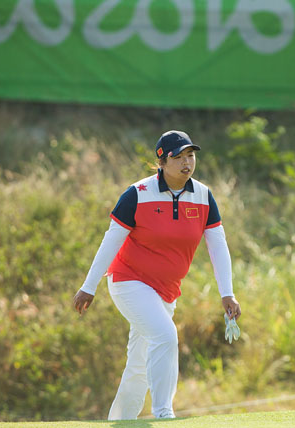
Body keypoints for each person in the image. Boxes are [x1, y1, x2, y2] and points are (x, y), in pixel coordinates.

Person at [72, 130, 241, 420]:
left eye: (191, 155)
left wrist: (227, 293)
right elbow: (111, 240)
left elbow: (218, 245)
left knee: (139, 363)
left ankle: (121, 421)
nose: (187, 163)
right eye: (179, 157)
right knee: (165, 335)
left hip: (166, 290)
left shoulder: (203, 196)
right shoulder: (137, 194)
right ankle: (164, 414)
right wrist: (89, 286)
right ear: (162, 161)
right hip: (129, 281)